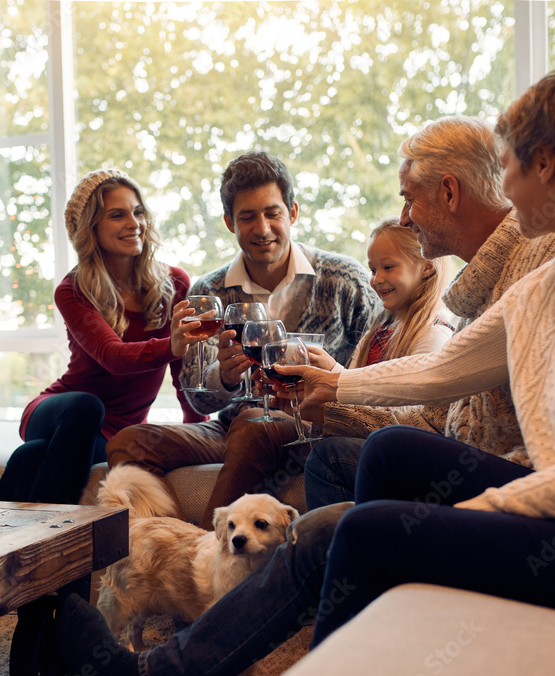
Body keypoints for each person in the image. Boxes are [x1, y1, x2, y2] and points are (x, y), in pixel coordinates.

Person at [55, 68, 555, 676]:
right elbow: (444, 368)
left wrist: (464, 516)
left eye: (508, 165)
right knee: (389, 451)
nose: (504, 188)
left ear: (544, 164)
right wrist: (336, 384)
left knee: (358, 529)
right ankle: (372, 654)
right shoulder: (547, 281)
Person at [304, 114, 555, 510]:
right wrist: (332, 409)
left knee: (379, 460)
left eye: (409, 199)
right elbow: (434, 420)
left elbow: (445, 370)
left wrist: (337, 384)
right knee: (333, 458)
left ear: (449, 192)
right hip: (472, 468)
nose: (406, 218)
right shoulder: (479, 290)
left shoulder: (544, 257)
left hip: (523, 481)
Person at [106, 151, 380, 526]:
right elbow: (197, 396)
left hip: (312, 426)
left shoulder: (343, 279)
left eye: (272, 213)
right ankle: (172, 536)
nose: (262, 228)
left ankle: (204, 550)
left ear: (293, 213)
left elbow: (377, 369)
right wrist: (226, 377)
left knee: (256, 421)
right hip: (232, 426)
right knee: (127, 442)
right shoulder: (210, 291)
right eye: (247, 217)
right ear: (229, 223)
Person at [204, 217, 454, 517]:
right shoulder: (381, 326)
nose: (375, 279)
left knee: (275, 432)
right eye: (373, 269)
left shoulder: (434, 334)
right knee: (255, 420)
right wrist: (306, 390)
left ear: (427, 265)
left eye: (388, 267)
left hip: (381, 441)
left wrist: (335, 374)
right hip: (354, 433)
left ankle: (217, 540)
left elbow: (409, 418)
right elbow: (352, 391)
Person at [0, 168, 208, 507]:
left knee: (32, 456)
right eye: (117, 215)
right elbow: (112, 356)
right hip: (59, 412)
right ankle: (59, 533)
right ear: (91, 228)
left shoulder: (174, 283)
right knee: (86, 406)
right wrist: (171, 344)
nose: (134, 223)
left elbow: (183, 370)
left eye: (137, 212)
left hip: (116, 432)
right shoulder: (73, 290)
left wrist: (197, 429)